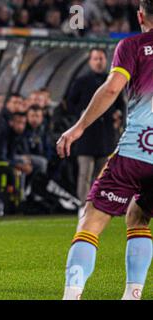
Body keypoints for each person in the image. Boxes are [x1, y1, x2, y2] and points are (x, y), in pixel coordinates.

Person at [57, 0, 153, 300]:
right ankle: (133, 294)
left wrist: (79, 127)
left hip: (136, 151)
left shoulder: (132, 45)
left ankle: (72, 295)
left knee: (91, 220)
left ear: (140, 16)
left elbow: (112, 88)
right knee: (138, 216)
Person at [67, 48, 125, 215]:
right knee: (85, 172)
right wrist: (83, 114)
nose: (99, 62)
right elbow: (70, 104)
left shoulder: (112, 79)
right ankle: (82, 205)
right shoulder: (81, 81)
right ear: (89, 61)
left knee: (101, 173)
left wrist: (118, 114)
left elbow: (120, 103)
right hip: (85, 133)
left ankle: (96, 204)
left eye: (101, 58)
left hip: (106, 134)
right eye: (95, 59)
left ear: (105, 60)